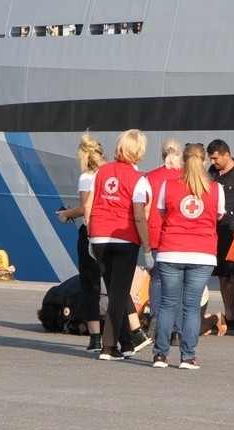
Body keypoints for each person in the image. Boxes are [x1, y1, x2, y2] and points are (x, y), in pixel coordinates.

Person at [151, 143, 225, 369]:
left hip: (171, 250)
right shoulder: (216, 189)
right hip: (202, 253)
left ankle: (160, 355)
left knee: (167, 304)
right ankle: (187, 356)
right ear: (203, 162)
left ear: (183, 161)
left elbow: (163, 212)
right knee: (192, 306)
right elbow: (218, 216)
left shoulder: (168, 186)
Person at [84, 129, 152, 360]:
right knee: (119, 294)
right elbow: (140, 216)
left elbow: (89, 206)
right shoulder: (138, 179)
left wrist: (91, 236)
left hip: (100, 237)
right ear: (139, 151)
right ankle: (108, 346)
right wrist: (147, 247)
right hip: (124, 239)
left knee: (114, 290)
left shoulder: (102, 171)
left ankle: (126, 343)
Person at [57, 134, 107, 353]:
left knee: (91, 286)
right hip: (114, 235)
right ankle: (128, 333)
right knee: (116, 285)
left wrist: (65, 214)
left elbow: (86, 207)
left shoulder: (87, 177)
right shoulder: (111, 174)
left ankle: (95, 337)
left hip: (92, 235)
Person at [207, 139, 234, 332]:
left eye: (215, 158)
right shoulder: (212, 173)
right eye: (211, 158)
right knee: (223, 277)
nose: (213, 162)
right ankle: (229, 315)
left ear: (226, 155)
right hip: (217, 230)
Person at [145, 139, 185, 344]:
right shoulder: (185, 178)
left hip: (154, 236)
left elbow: (144, 208)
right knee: (177, 284)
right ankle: (176, 331)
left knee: (157, 280)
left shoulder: (150, 177)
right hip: (178, 236)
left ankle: (156, 318)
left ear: (162, 155)